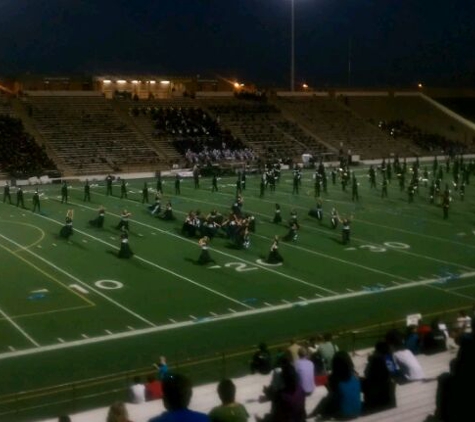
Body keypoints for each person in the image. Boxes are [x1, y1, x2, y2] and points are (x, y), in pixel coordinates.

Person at [307, 351, 362, 421]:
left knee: (326, 399)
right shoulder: (355, 376)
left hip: (343, 414)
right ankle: (316, 413)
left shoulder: (334, 379)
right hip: (357, 411)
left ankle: (315, 414)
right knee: (329, 398)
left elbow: (332, 396)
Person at [360, 341, 397, 414]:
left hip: (375, 404)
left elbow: (366, 373)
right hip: (390, 402)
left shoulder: (376, 359)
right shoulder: (389, 359)